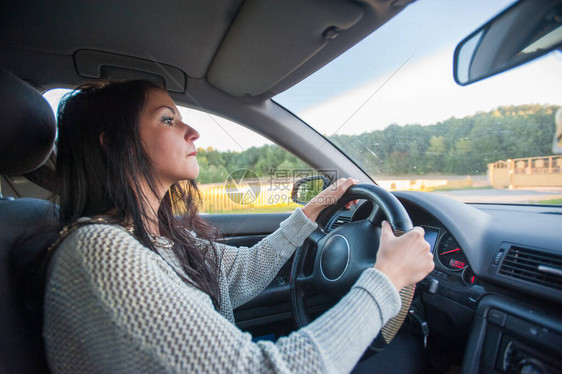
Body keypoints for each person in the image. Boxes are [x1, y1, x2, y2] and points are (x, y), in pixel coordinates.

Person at [43, 80, 434, 373]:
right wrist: (388, 277)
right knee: (408, 354)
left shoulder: (157, 237)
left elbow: (243, 272)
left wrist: (312, 210)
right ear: (117, 145)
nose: (192, 131)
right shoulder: (100, 250)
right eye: (168, 119)